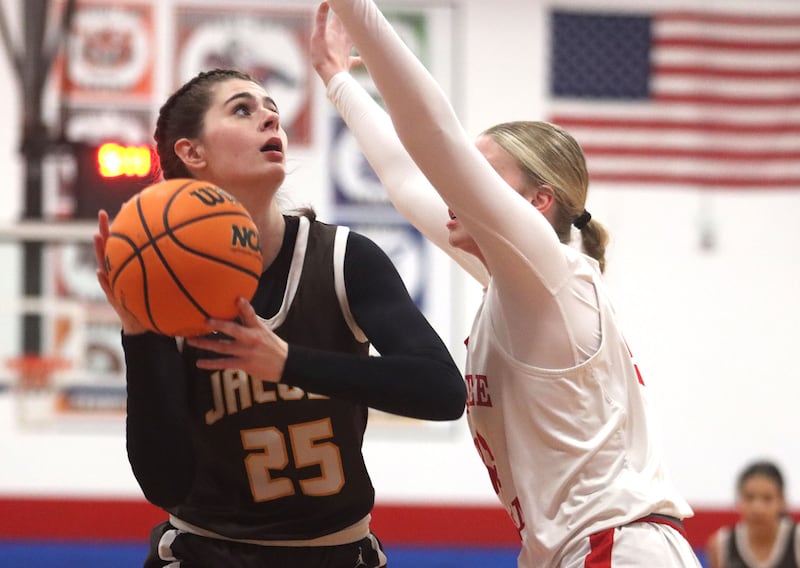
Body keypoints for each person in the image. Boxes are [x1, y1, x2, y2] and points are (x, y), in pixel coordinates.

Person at [311, 1, 702, 566]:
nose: (456, 189)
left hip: (618, 546)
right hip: (578, 547)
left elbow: (433, 139)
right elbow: (403, 177)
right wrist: (337, 81)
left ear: (536, 203)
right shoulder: (517, 288)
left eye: (479, 177)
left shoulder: (548, 274)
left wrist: (358, 10)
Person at [93, 67, 467, 567]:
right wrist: (138, 333)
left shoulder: (342, 259)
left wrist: (288, 363)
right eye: (242, 109)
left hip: (336, 551)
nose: (270, 116)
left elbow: (442, 391)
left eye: (272, 107)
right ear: (191, 152)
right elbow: (164, 481)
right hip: (206, 551)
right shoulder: (164, 284)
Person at [706, 461, 800, 568]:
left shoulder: (797, 540)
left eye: (767, 498)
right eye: (749, 497)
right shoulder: (721, 544)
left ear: (782, 501)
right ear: (739, 499)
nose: (757, 508)